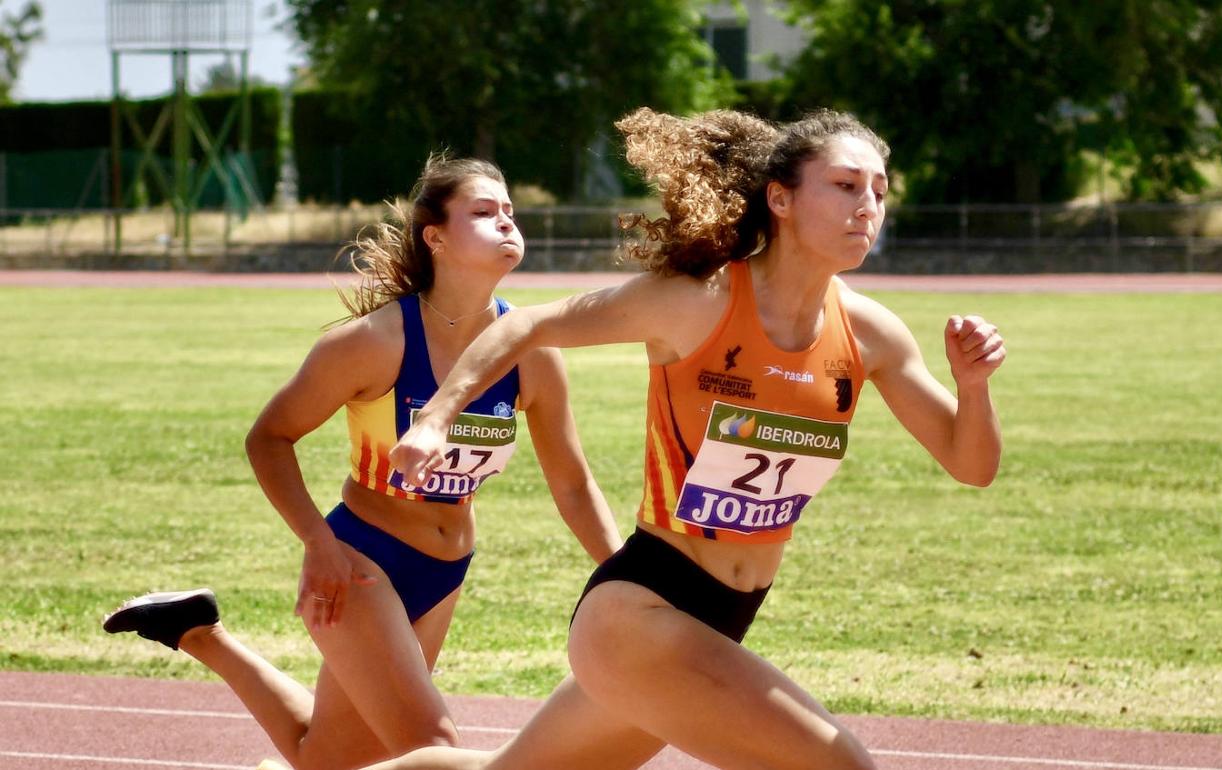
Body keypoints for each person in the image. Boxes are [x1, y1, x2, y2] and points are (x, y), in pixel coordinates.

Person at [366, 107, 1006, 770]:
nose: (867, 205)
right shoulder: (696, 301)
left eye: (879, 190)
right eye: (845, 185)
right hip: (639, 615)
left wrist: (974, 386)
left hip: (722, 618)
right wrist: (436, 418)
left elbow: (972, 464)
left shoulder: (872, 335)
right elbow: (525, 325)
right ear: (780, 199)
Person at [102, 155, 623, 770]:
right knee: (432, 750)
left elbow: (572, 483)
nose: (507, 222)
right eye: (484, 212)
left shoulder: (532, 353)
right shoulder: (375, 342)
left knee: (324, 758)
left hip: (446, 567)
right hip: (361, 562)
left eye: (510, 211)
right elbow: (269, 438)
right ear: (435, 238)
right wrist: (318, 543)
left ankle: (197, 631)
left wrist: (628, 576)